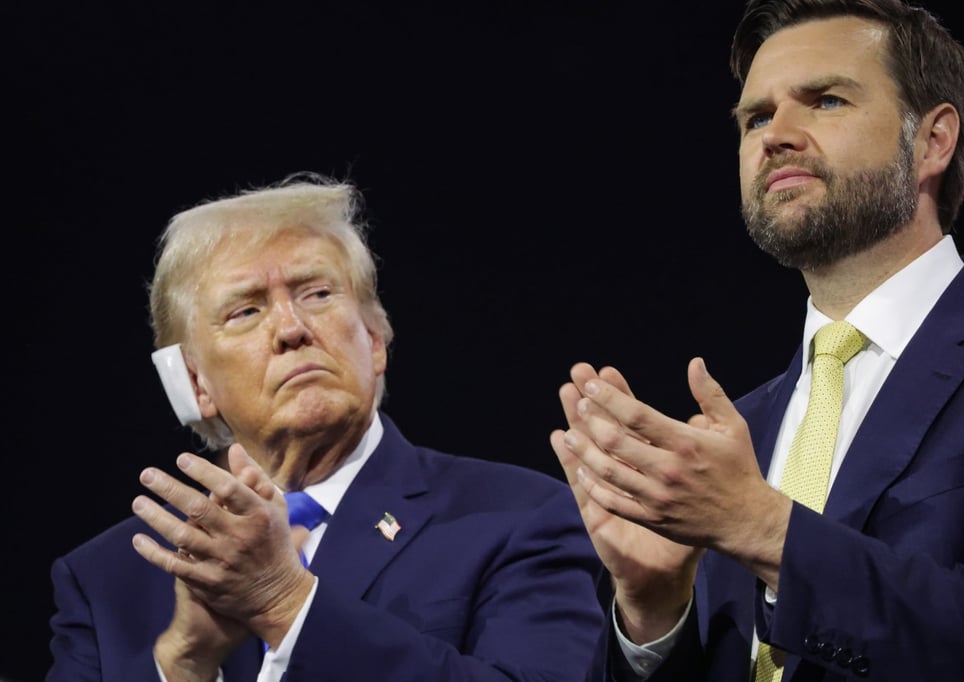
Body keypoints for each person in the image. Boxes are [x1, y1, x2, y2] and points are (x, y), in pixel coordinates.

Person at [550, 0, 964, 680]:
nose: (777, 135)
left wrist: (765, 529)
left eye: (826, 101)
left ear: (933, 141)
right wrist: (656, 613)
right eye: (757, 117)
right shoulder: (740, 434)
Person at [47, 173, 606, 681]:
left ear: (376, 340)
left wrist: (287, 604)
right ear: (195, 385)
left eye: (317, 294)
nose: (291, 329)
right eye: (246, 311)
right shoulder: (108, 578)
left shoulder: (518, 518)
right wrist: (183, 666)